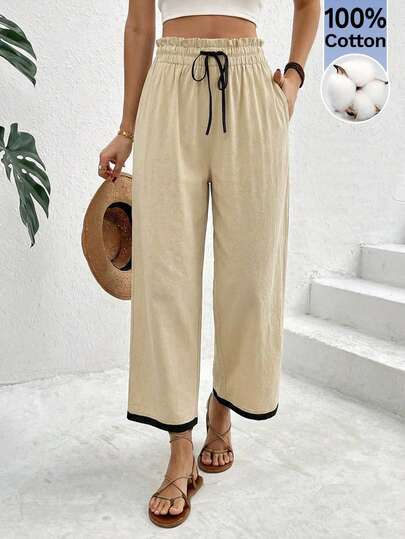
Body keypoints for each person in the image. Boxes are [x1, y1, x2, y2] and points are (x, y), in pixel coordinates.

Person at [98, 0, 320, 528]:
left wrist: (294, 77)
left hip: (250, 86)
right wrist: (127, 130)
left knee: (252, 271)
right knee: (166, 276)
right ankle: (180, 447)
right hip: (171, 86)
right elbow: (139, 23)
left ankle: (224, 400)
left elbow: (309, 3)